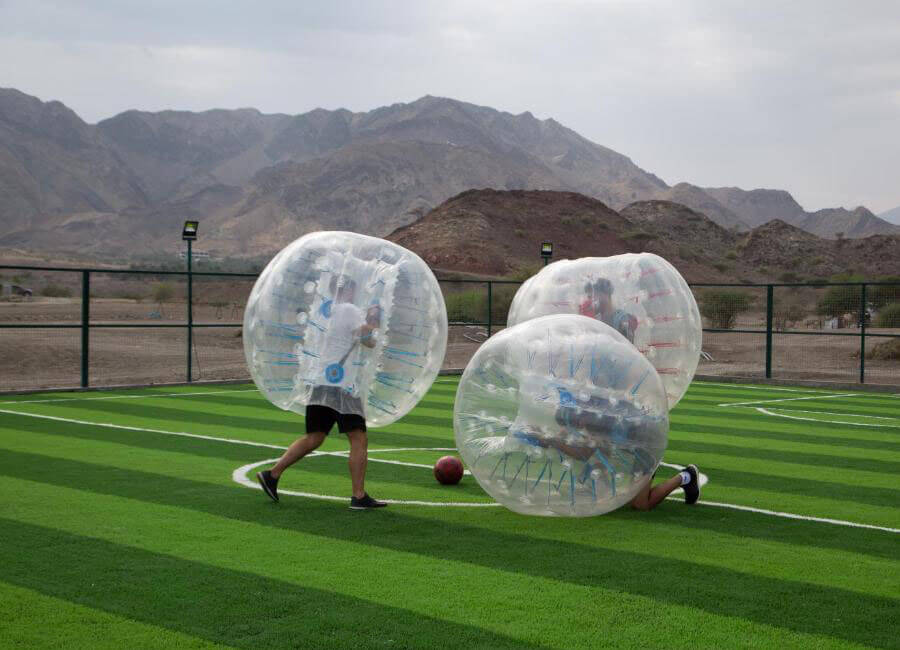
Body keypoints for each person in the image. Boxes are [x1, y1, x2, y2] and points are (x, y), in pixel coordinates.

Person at [256, 275, 387, 510]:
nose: (356, 292)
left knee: (314, 437)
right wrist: (374, 318)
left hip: (320, 381)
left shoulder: (325, 311)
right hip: (342, 384)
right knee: (358, 438)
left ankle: (272, 475)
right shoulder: (348, 309)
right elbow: (367, 340)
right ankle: (358, 496)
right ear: (347, 289)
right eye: (354, 287)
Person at [579, 278, 638, 343]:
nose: (590, 301)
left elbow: (627, 349)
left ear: (605, 295)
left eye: (592, 296)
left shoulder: (623, 319)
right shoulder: (597, 319)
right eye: (589, 297)